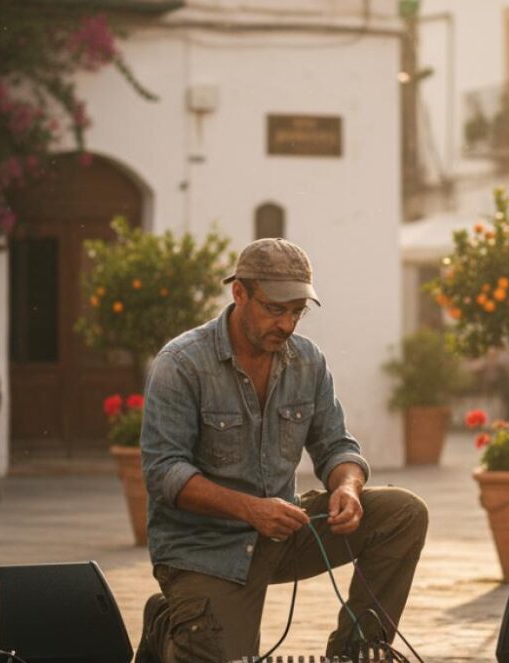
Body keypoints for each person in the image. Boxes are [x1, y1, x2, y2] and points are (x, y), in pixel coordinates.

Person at [136, 239, 429, 663]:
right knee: (221, 655)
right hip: (202, 550)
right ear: (239, 293)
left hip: (281, 532)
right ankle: (172, 622)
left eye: (297, 311)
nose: (288, 324)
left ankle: (357, 651)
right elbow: (164, 474)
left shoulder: (307, 361)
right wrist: (250, 509)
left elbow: (336, 446)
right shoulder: (181, 364)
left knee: (403, 512)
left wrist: (347, 486)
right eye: (276, 309)